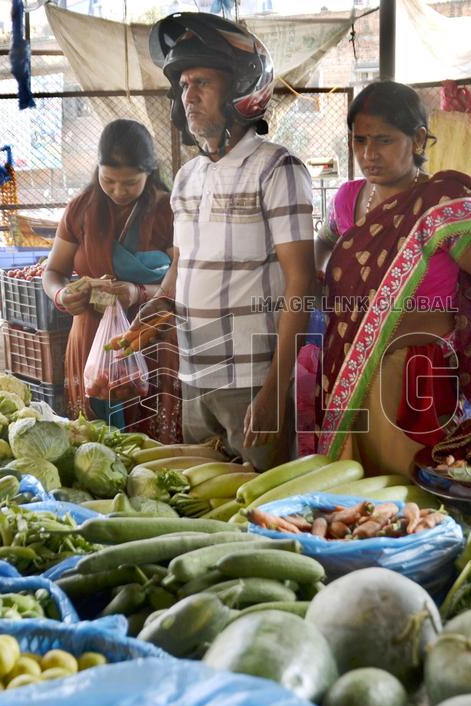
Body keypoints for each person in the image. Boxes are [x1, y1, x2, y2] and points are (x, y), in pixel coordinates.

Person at [314, 81, 471, 477]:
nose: (369, 154)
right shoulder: (346, 200)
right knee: (356, 497)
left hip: (418, 381)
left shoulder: (446, 206)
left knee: (417, 493)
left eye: (384, 140)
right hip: (349, 376)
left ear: (418, 138)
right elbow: (320, 250)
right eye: (360, 140)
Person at [144, 12, 314, 469]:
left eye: (202, 82)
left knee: (262, 506)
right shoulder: (186, 178)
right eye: (182, 85)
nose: (189, 94)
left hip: (252, 378)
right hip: (195, 373)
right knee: (205, 503)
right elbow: (182, 265)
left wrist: (275, 390)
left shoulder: (277, 168)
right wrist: (160, 303)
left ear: (241, 90)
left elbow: (302, 282)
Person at [42, 119, 180, 442]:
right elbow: (53, 272)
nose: (119, 191)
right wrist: (62, 295)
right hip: (92, 341)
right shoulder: (81, 209)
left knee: (149, 447)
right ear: (97, 170)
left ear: (150, 172)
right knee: (94, 446)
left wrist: (139, 292)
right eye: (109, 180)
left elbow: (186, 272)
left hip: (150, 337)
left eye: (131, 183)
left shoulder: (168, 210)